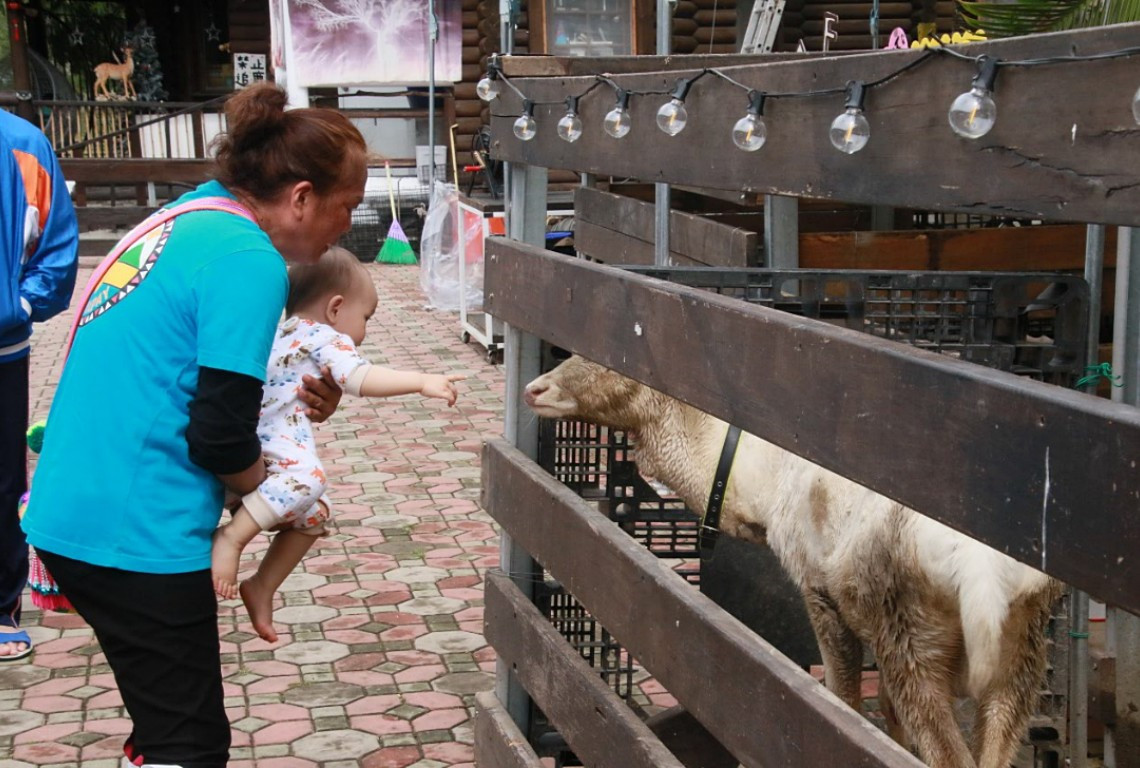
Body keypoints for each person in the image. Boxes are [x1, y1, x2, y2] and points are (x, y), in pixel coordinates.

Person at [21, 83, 362, 768]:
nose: (345, 229)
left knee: (166, 722)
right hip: (136, 526)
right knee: (189, 742)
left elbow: (190, 369)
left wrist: (289, 408)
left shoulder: (187, 217)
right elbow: (218, 436)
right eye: (345, 207)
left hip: (74, 505)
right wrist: (272, 497)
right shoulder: (248, 259)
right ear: (300, 198)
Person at [211, 246, 464, 643]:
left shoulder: (279, 332)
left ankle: (262, 585)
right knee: (309, 478)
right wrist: (420, 381)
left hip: (247, 452)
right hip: (275, 452)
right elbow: (359, 379)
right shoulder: (326, 337)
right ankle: (232, 538)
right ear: (336, 308)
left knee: (314, 516)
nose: (363, 330)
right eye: (365, 318)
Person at [0, 110, 79, 662]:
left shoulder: (22, 143)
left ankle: (0, 605)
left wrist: (18, 305)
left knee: (2, 477)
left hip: (1, 345)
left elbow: (55, 245)